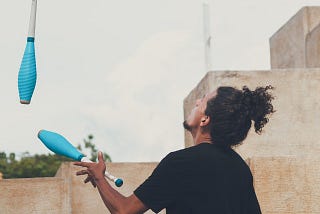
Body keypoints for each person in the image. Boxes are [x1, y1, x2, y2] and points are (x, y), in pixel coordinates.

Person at [74, 85, 275, 214]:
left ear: (205, 120)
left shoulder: (181, 162)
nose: (196, 102)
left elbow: (124, 210)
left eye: (202, 102)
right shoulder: (240, 169)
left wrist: (100, 177)